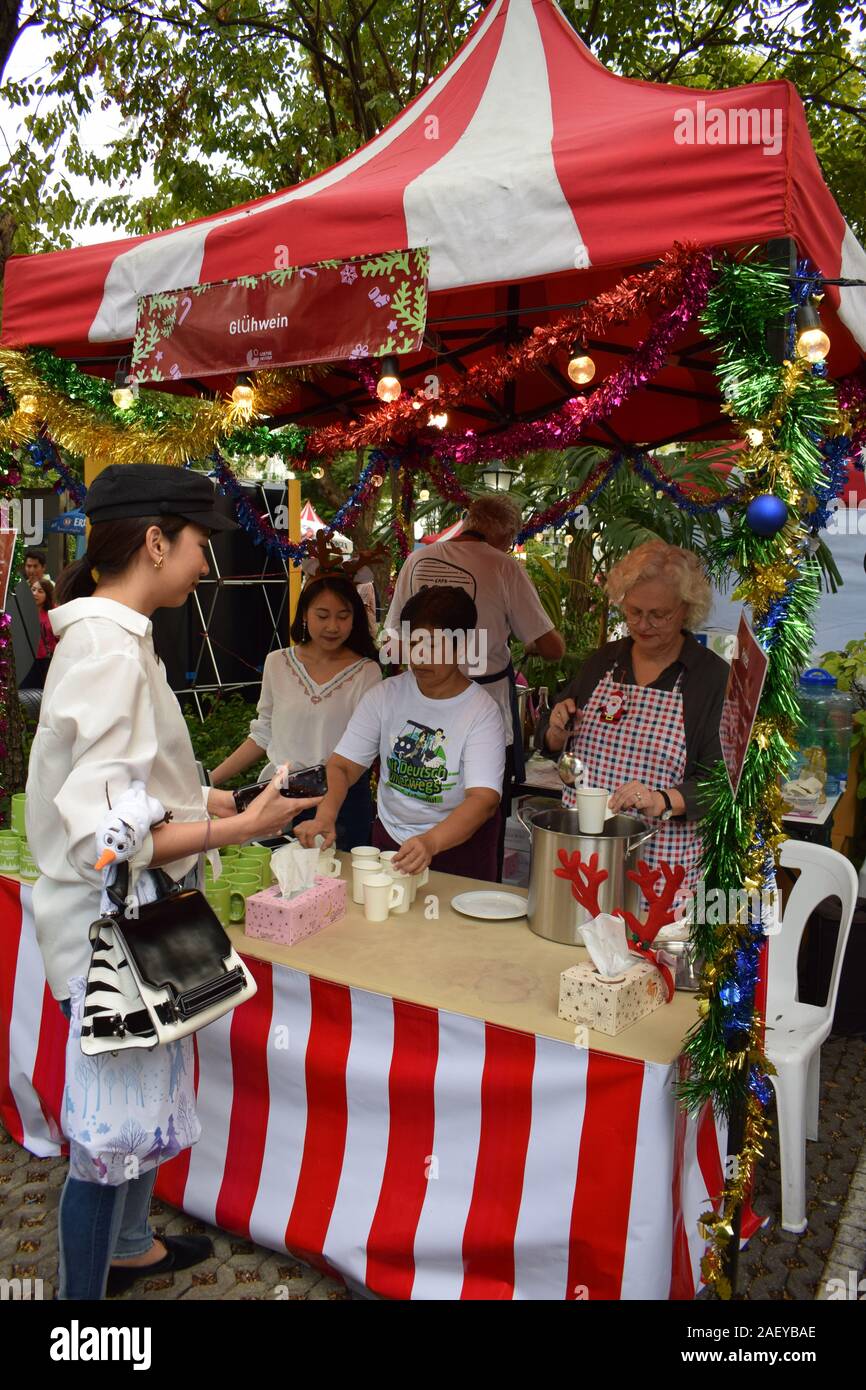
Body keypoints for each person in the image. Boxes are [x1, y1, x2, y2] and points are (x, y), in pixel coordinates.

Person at [25, 464, 321, 1301]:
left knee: (130, 1116)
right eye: (198, 546)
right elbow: (111, 839)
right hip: (108, 937)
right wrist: (246, 827)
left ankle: (129, 1248)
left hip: (132, 924)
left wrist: (223, 798)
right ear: (155, 541)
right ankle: (82, 1315)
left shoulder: (119, 638)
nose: (204, 565)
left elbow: (135, 790)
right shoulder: (107, 651)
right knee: (104, 1136)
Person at [536, 540, 728, 897]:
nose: (643, 624)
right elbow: (551, 740)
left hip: (660, 863)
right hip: (585, 853)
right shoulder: (604, 662)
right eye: (634, 611)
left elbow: (722, 784)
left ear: (686, 609)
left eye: (659, 614)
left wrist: (662, 799)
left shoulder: (709, 678)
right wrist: (556, 731)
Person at [385, 493, 564, 874]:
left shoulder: (417, 560)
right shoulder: (503, 566)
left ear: (468, 521)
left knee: (415, 784)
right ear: (506, 536)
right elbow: (553, 647)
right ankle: (476, 890)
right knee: (481, 802)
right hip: (483, 700)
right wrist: (522, 636)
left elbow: (393, 639)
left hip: (418, 702)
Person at [297, 585, 506, 881]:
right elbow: (343, 766)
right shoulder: (385, 695)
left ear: (463, 645)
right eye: (413, 643)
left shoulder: (481, 711)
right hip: (390, 844)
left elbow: (483, 800)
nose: (420, 658)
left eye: (433, 646)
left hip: (458, 853)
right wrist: (325, 817)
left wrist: (430, 842)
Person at [210, 572, 382, 849]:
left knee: (339, 886)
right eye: (322, 615)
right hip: (276, 796)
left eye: (343, 616)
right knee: (273, 884)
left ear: (355, 619)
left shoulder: (367, 672)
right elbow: (263, 733)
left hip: (342, 802)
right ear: (304, 615)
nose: (332, 626)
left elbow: (364, 748)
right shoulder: (277, 663)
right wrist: (208, 782)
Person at [20, 577, 58, 689]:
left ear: (48, 595)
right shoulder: (23, 610)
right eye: (33, 589)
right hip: (27, 661)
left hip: (47, 661)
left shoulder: (53, 612)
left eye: (40, 591)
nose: (35, 593)